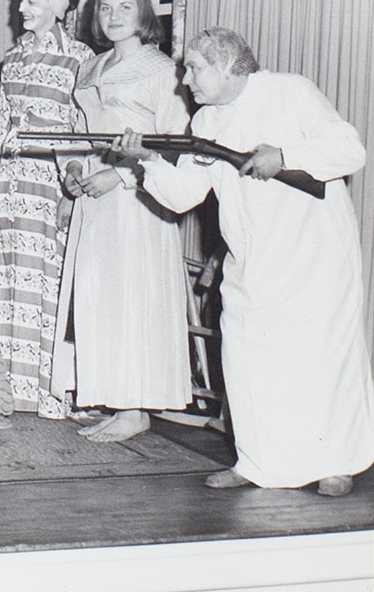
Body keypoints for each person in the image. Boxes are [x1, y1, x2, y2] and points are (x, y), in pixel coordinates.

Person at [116, 27, 374, 495]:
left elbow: (350, 149)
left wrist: (285, 155)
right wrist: (146, 162)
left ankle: (336, 464)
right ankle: (257, 462)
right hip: (253, 262)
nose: (184, 80)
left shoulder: (291, 92)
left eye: (194, 67)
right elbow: (182, 197)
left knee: (321, 362)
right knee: (247, 360)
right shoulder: (206, 123)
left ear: (227, 65)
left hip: (315, 256)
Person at [50, 0, 191, 443]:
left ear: (143, 13)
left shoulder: (161, 70)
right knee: (97, 298)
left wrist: (122, 176)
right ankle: (109, 396)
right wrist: (72, 170)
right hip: (94, 197)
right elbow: (75, 131)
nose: (113, 17)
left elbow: (174, 146)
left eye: (125, 8)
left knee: (133, 298)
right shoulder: (90, 68)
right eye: (105, 8)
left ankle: (136, 407)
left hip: (138, 200)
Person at [0, 0, 93, 418]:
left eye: (32, 1)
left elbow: (81, 134)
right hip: (8, 184)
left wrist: (66, 195)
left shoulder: (79, 59)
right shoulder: (13, 60)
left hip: (48, 184)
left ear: (56, 7)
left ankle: (45, 390)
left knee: (41, 282)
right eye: (21, 0)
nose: (21, 8)